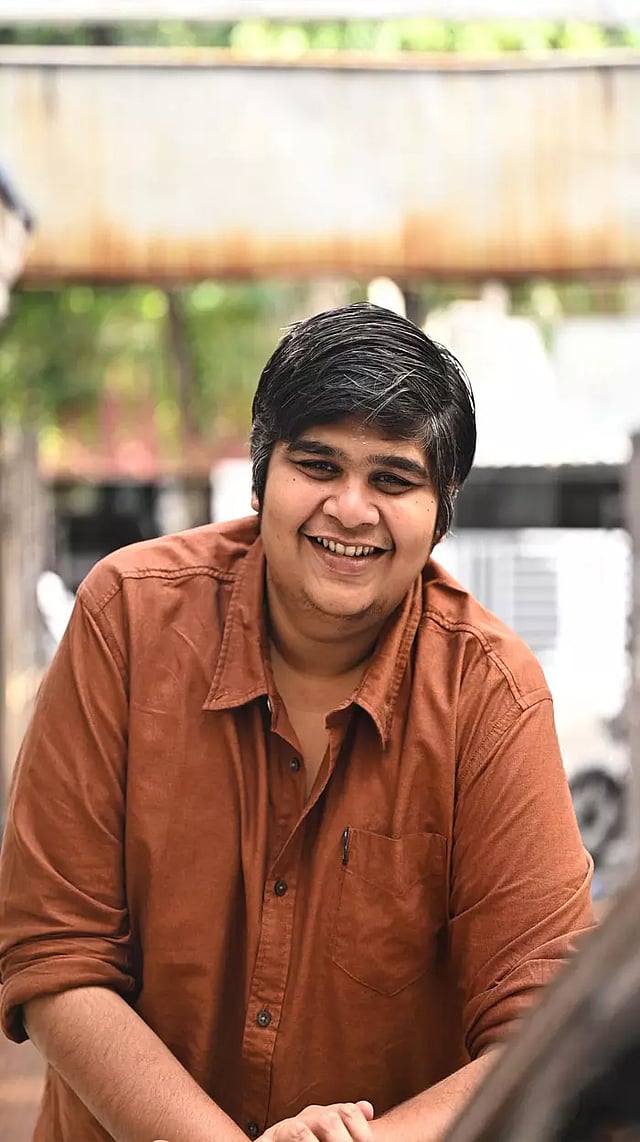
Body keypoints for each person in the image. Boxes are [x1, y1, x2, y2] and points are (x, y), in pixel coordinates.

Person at [0, 303, 594, 1142]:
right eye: (317, 465)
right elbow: (55, 952)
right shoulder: (126, 619)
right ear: (260, 479)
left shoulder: (489, 694)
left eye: (393, 480)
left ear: (441, 513)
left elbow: (542, 1031)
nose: (350, 509)